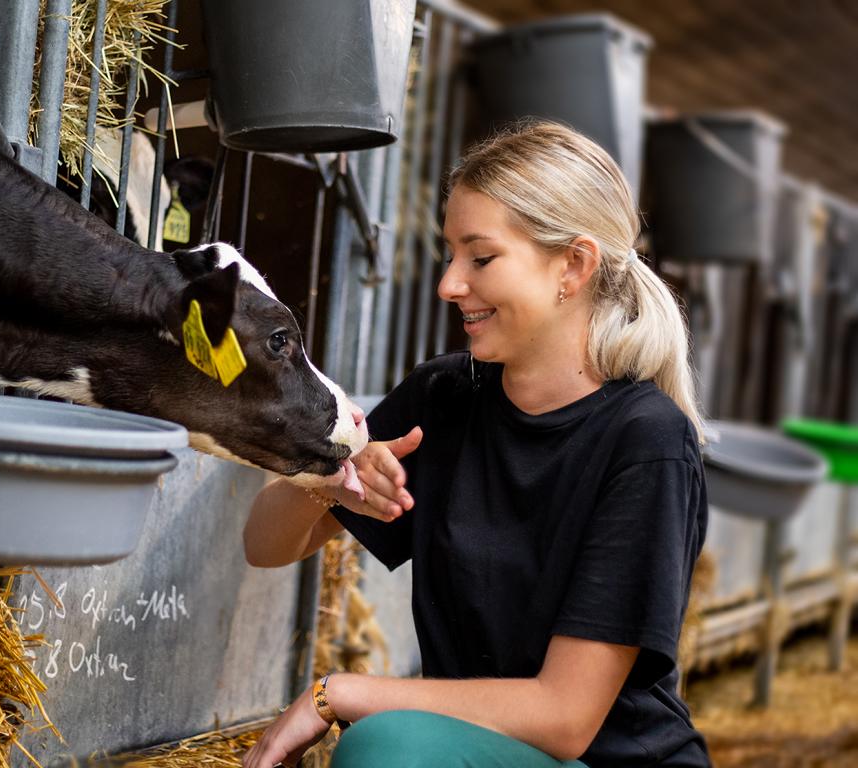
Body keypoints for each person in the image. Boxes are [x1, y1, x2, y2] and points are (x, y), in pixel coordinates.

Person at [240, 121, 710, 768]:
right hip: (478, 751)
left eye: (481, 258)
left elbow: (566, 718)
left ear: (572, 265)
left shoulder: (646, 440)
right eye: (449, 255)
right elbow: (263, 545)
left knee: (389, 747)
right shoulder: (445, 398)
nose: (449, 285)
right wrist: (331, 478)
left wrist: (339, 693)